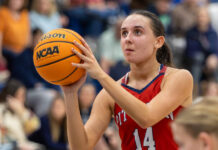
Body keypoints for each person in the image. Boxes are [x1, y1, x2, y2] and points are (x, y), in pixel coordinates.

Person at [61, 10, 193, 150]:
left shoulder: (179, 78)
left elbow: (147, 117)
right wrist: (70, 94)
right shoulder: (108, 95)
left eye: (137, 32)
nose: (128, 39)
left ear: (158, 42)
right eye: (124, 33)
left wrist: (101, 74)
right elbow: (80, 147)